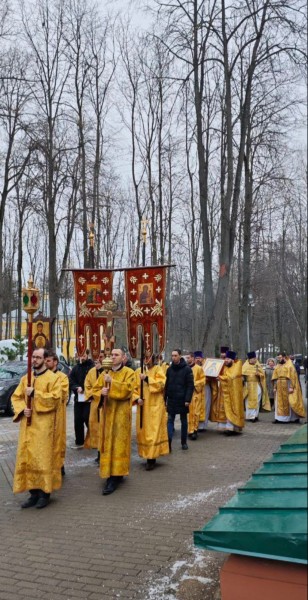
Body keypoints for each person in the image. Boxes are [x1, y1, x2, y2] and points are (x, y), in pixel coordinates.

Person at [11, 348, 61, 509]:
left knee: (42, 458)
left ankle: (44, 494)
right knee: (29, 457)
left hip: (44, 426)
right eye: (33, 357)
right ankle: (33, 493)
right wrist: (21, 409)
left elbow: (55, 399)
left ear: (46, 359)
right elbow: (16, 397)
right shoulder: (26, 378)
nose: (35, 360)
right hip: (28, 426)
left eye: (38, 357)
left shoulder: (53, 378)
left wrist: (36, 394)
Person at [92, 348, 135, 495]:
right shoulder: (105, 373)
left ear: (123, 358)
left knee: (118, 445)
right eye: (112, 355)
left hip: (121, 417)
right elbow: (95, 390)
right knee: (107, 443)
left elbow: (128, 390)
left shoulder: (129, 372)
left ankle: (116, 476)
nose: (113, 357)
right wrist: (101, 393)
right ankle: (108, 472)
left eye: (116, 355)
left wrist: (113, 383)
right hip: (107, 415)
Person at [133, 352, 169, 470]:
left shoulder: (158, 369)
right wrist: (137, 398)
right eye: (145, 358)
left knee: (153, 431)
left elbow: (161, 384)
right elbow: (133, 388)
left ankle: (151, 458)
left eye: (149, 358)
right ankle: (146, 454)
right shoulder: (138, 371)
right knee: (143, 432)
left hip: (155, 406)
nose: (146, 360)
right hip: (143, 406)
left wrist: (148, 378)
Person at [164, 349, 194, 450]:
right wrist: (165, 399)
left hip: (182, 399)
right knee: (170, 420)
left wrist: (187, 399)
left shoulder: (187, 369)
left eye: (175, 355)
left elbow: (190, 386)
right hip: (172, 399)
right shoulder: (169, 369)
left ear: (180, 356)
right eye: (172, 355)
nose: (173, 357)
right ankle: (168, 443)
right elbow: (166, 385)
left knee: (184, 421)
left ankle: (184, 442)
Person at [46, 350, 69, 476]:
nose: (46, 363)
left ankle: (60, 464)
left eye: (48, 360)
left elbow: (62, 394)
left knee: (58, 440)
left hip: (58, 414)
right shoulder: (40, 376)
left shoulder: (62, 377)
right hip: (44, 415)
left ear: (55, 362)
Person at [210, 350, 244, 435]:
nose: (226, 360)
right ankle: (224, 427)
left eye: (228, 359)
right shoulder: (224, 367)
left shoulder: (237, 366)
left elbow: (231, 376)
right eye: (225, 359)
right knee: (224, 409)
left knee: (232, 409)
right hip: (223, 392)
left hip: (233, 394)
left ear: (232, 360)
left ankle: (231, 427)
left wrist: (221, 378)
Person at [69, 351, 94, 449]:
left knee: (89, 419)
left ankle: (92, 440)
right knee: (78, 420)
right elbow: (71, 380)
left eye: (84, 355)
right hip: (78, 399)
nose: (82, 358)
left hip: (89, 399)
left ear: (88, 355)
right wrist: (76, 387)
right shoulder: (75, 368)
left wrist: (85, 388)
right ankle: (79, 441)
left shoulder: (92, 367)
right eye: (80, 355)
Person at [272, 352, 306, 424]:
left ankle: (291, 418)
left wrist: (291, 387)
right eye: (278, 358)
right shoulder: (278, 366)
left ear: (284, 357)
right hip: (279, 385)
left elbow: (293, 377)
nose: (279, 359)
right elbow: (275, 377)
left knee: (290, 401)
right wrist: (275, 387)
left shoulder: (289, 365)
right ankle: (279, 418)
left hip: (287, 384)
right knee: (278, 402)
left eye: (280, 357)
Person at [84, 350, 105, 462]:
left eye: (101, 357)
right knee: (95, 428)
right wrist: (91, 395)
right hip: (94, 404)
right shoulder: (92, 371)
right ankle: (98, 453)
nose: (99, 359)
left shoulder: (107, 371)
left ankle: (103, 453)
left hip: (104, 403)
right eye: (98, 357)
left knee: (103, 428)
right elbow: (87, 385)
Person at [242, 351, 271, 422]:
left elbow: (263, 375)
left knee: (257, 401)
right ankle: (250, 416)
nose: (255, 360)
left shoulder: (258, 365)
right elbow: (241, 374)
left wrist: (259, 375)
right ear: (249, 359)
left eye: (255, 358)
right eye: (253, 359)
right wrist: (242, 378)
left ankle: (255, 416)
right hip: (248, 385)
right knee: (248, 401)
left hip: (256, 384)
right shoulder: (245, 366)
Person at [187, 352, 206, 440]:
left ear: (193, 359)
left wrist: (194, 384)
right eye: (187, 358)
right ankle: (189, 430)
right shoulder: (185, 368)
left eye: (189, 358)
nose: (188, 359)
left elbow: (203, 380)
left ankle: (195, 430)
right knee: (188, 414)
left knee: (195, 413)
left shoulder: (198, 368)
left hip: (196, 394)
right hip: (187, 395)